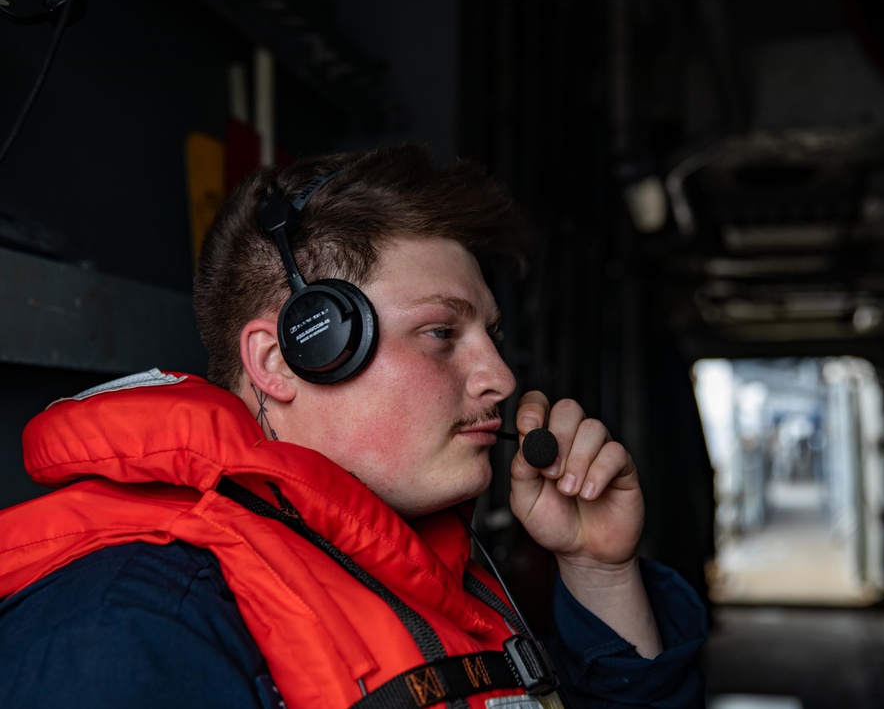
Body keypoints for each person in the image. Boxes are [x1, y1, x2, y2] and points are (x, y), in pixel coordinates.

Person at [0, 145, 707, 708]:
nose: (500, 377)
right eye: (439, 331)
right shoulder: (126, 630)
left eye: (489, 334)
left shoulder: (428, 570)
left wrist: (597, 573)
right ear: (286, 358)